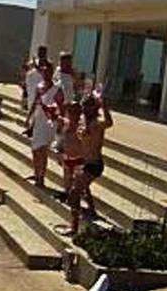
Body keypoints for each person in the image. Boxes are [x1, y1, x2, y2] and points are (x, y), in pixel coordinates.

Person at [66, 92, 113, 235]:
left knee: (74, 192)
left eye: (89, 107)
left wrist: (104, 105)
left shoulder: (96, 124)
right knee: (83, 187)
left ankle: (74, 226)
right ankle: (91, 210)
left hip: (95, 164)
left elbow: (109, 123)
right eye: (84, 106)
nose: (86, 110)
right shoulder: (83, 122)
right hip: (86, 162)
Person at [26, 61, 56, 188]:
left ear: (52, 73)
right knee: (35, 149)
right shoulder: (39, 86)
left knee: (42, 150)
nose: (46, 74)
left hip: (48, 122)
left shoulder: (56, 89)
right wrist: (29, 118)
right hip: (38, 120)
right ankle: (36, 173)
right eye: (44, 71)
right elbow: (35, 102)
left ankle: (41, 178)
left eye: (48, 72)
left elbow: (59, 108)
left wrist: (50, 111)